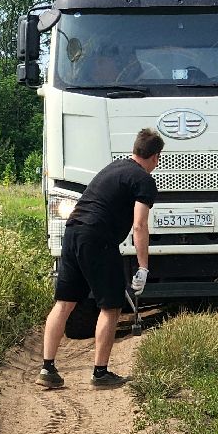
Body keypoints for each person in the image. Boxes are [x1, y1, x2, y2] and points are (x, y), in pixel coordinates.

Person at [39, 127, 164, 389]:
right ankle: (100, 373)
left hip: (72, 233)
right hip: (98, 239)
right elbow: (140, 225)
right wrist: (143, 267)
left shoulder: (114, 167)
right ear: (155, 157)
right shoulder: (143, 180)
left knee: (64, 303)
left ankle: (47, 368)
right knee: (111, 306)